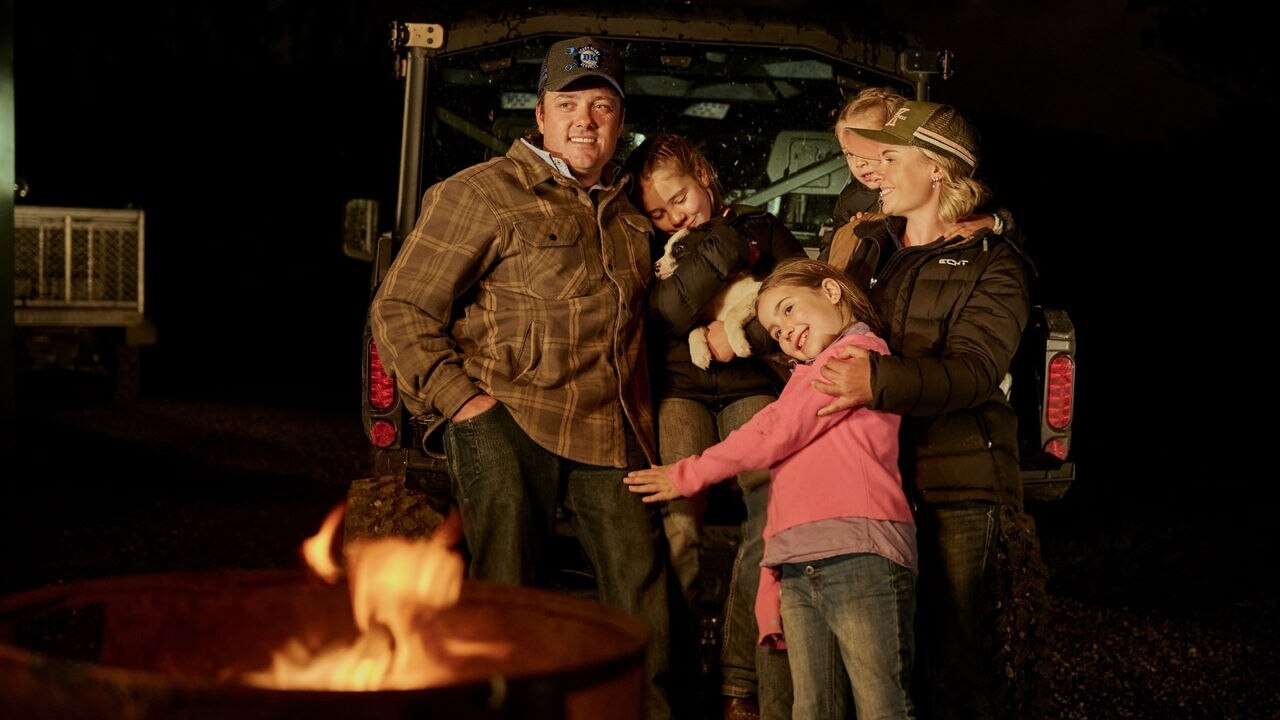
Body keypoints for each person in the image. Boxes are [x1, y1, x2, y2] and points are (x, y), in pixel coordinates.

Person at [369, 36, 674, 720]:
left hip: (609, 427)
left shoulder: (631, 214)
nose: (585, 121)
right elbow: (402, 306)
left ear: (621, 122)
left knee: (641, 595)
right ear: (539, 116)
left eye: (602, 106)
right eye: (569, 104)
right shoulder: (481, 194)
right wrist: (462, 403)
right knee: (510, 591)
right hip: (507, 413)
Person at [810, 100, 1049, 720]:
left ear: (938, 169)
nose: (874, 171)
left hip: (955, 484)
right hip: (874, 478)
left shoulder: (994, 264)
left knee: (954, 661)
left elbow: (973, 372)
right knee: (880, 661)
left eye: (891, 157)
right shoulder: (869, 249)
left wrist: (875, 381)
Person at [626, 257, 918, 720]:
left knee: (881, 704)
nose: (784, 331)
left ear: (832, 291)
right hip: (801, 564)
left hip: (859, 552)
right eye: (774, 330)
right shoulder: (804, 379)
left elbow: (773, 433)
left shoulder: (856, 355)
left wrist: (684, 473)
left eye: (787, 310)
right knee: (811, 708)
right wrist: (768, 590)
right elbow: (784, 490)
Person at [625, 132, 806, 720]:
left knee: (769, 511)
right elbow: (661, 316)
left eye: (679, 198)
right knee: (677, 519)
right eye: (658, 211)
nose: (673, 215)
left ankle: (739, 678)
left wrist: (740, 335)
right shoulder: (656, 250)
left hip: (751, 384)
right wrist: (717, 249)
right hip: (681, 390)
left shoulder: (764, 228)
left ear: (702, 173)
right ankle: (672, 676)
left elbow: (800, 299)